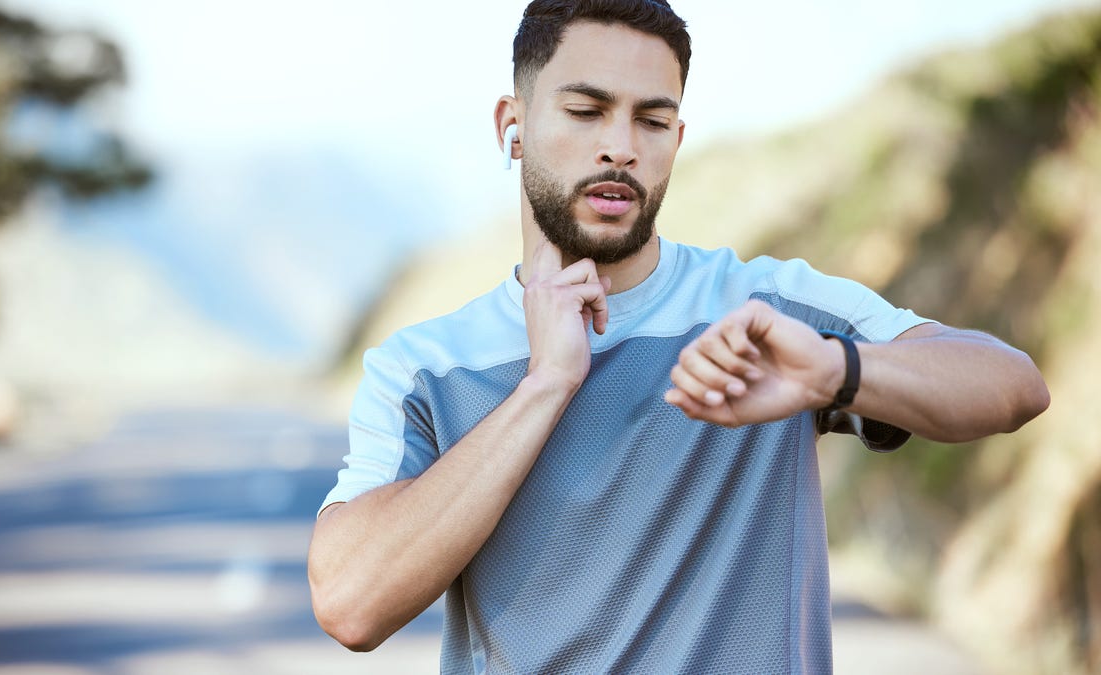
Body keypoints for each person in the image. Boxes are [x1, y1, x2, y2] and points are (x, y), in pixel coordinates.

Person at [306, 1, 1050, 672]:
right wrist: (547, 382)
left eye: (652, 120)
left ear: (677, 138)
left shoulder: (764, 308)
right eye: (587, 110)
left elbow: (1014, 387)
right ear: (514, 125)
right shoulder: (425, 366)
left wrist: (835, 371)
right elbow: (351, 603)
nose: (621, 147)